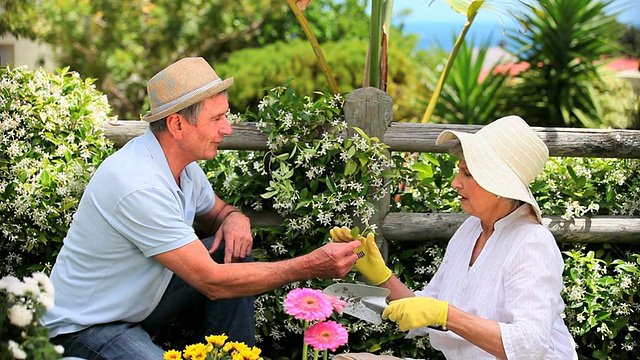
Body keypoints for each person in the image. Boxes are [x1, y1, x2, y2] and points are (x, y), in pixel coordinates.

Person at [42, 57, 362, 359]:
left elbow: (218, 212)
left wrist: (234, 218)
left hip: (136, 307)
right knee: (222, 271)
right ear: (178, 125)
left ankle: (234, 356)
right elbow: (211, 280)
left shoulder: (182, 166)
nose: (227, 129)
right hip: (85, 327)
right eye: (217, 118)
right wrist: (310, 265)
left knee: (233, 251)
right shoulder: (138, 183)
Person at [331, 116, 578, 359]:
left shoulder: (532, 242)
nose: (455, 183)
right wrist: (382, 276)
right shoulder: (470, 230)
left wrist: (446, 315)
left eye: (467, 173)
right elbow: (428, 308)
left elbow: (529, 346)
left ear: (501, 186)